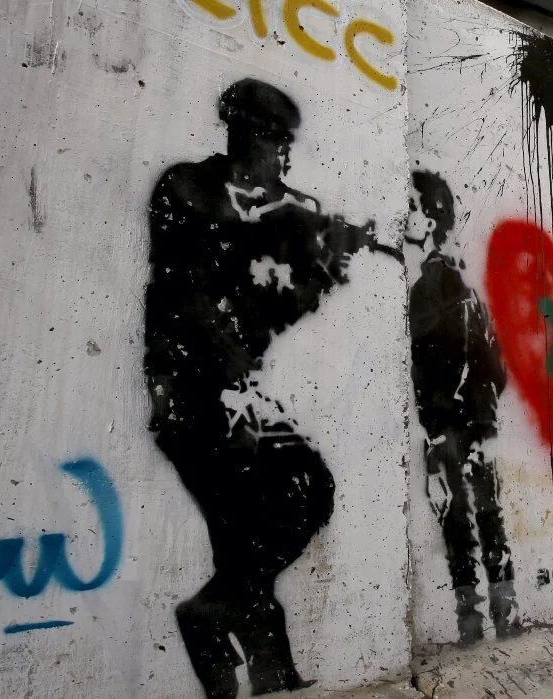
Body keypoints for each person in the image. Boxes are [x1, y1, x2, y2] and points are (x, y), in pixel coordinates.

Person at [145, 78, 396, 696]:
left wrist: (331, 260)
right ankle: (223, 629)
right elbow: (193, 291)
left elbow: (281, 306)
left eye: (287, 142)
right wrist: (283, 224)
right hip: (188, 390)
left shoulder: (286, 210)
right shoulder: (186, 187)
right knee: (298, 490)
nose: (285, 154)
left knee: (262, 529)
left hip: (237, 390)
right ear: (244, 134)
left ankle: (260, 668)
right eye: (275, 141)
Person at [405, 170, 518, 642]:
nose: (404, 215)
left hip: (450, 423)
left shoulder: (432, 283)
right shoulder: (465, 284)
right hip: (477, 419)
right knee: (487, 516)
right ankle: (504, 614)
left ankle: (471, 618)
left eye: (411, 206)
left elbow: (433, 362)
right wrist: (485, 412)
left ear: (431, 219)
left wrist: (438, 426)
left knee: (456, 519)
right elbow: (497, 364)